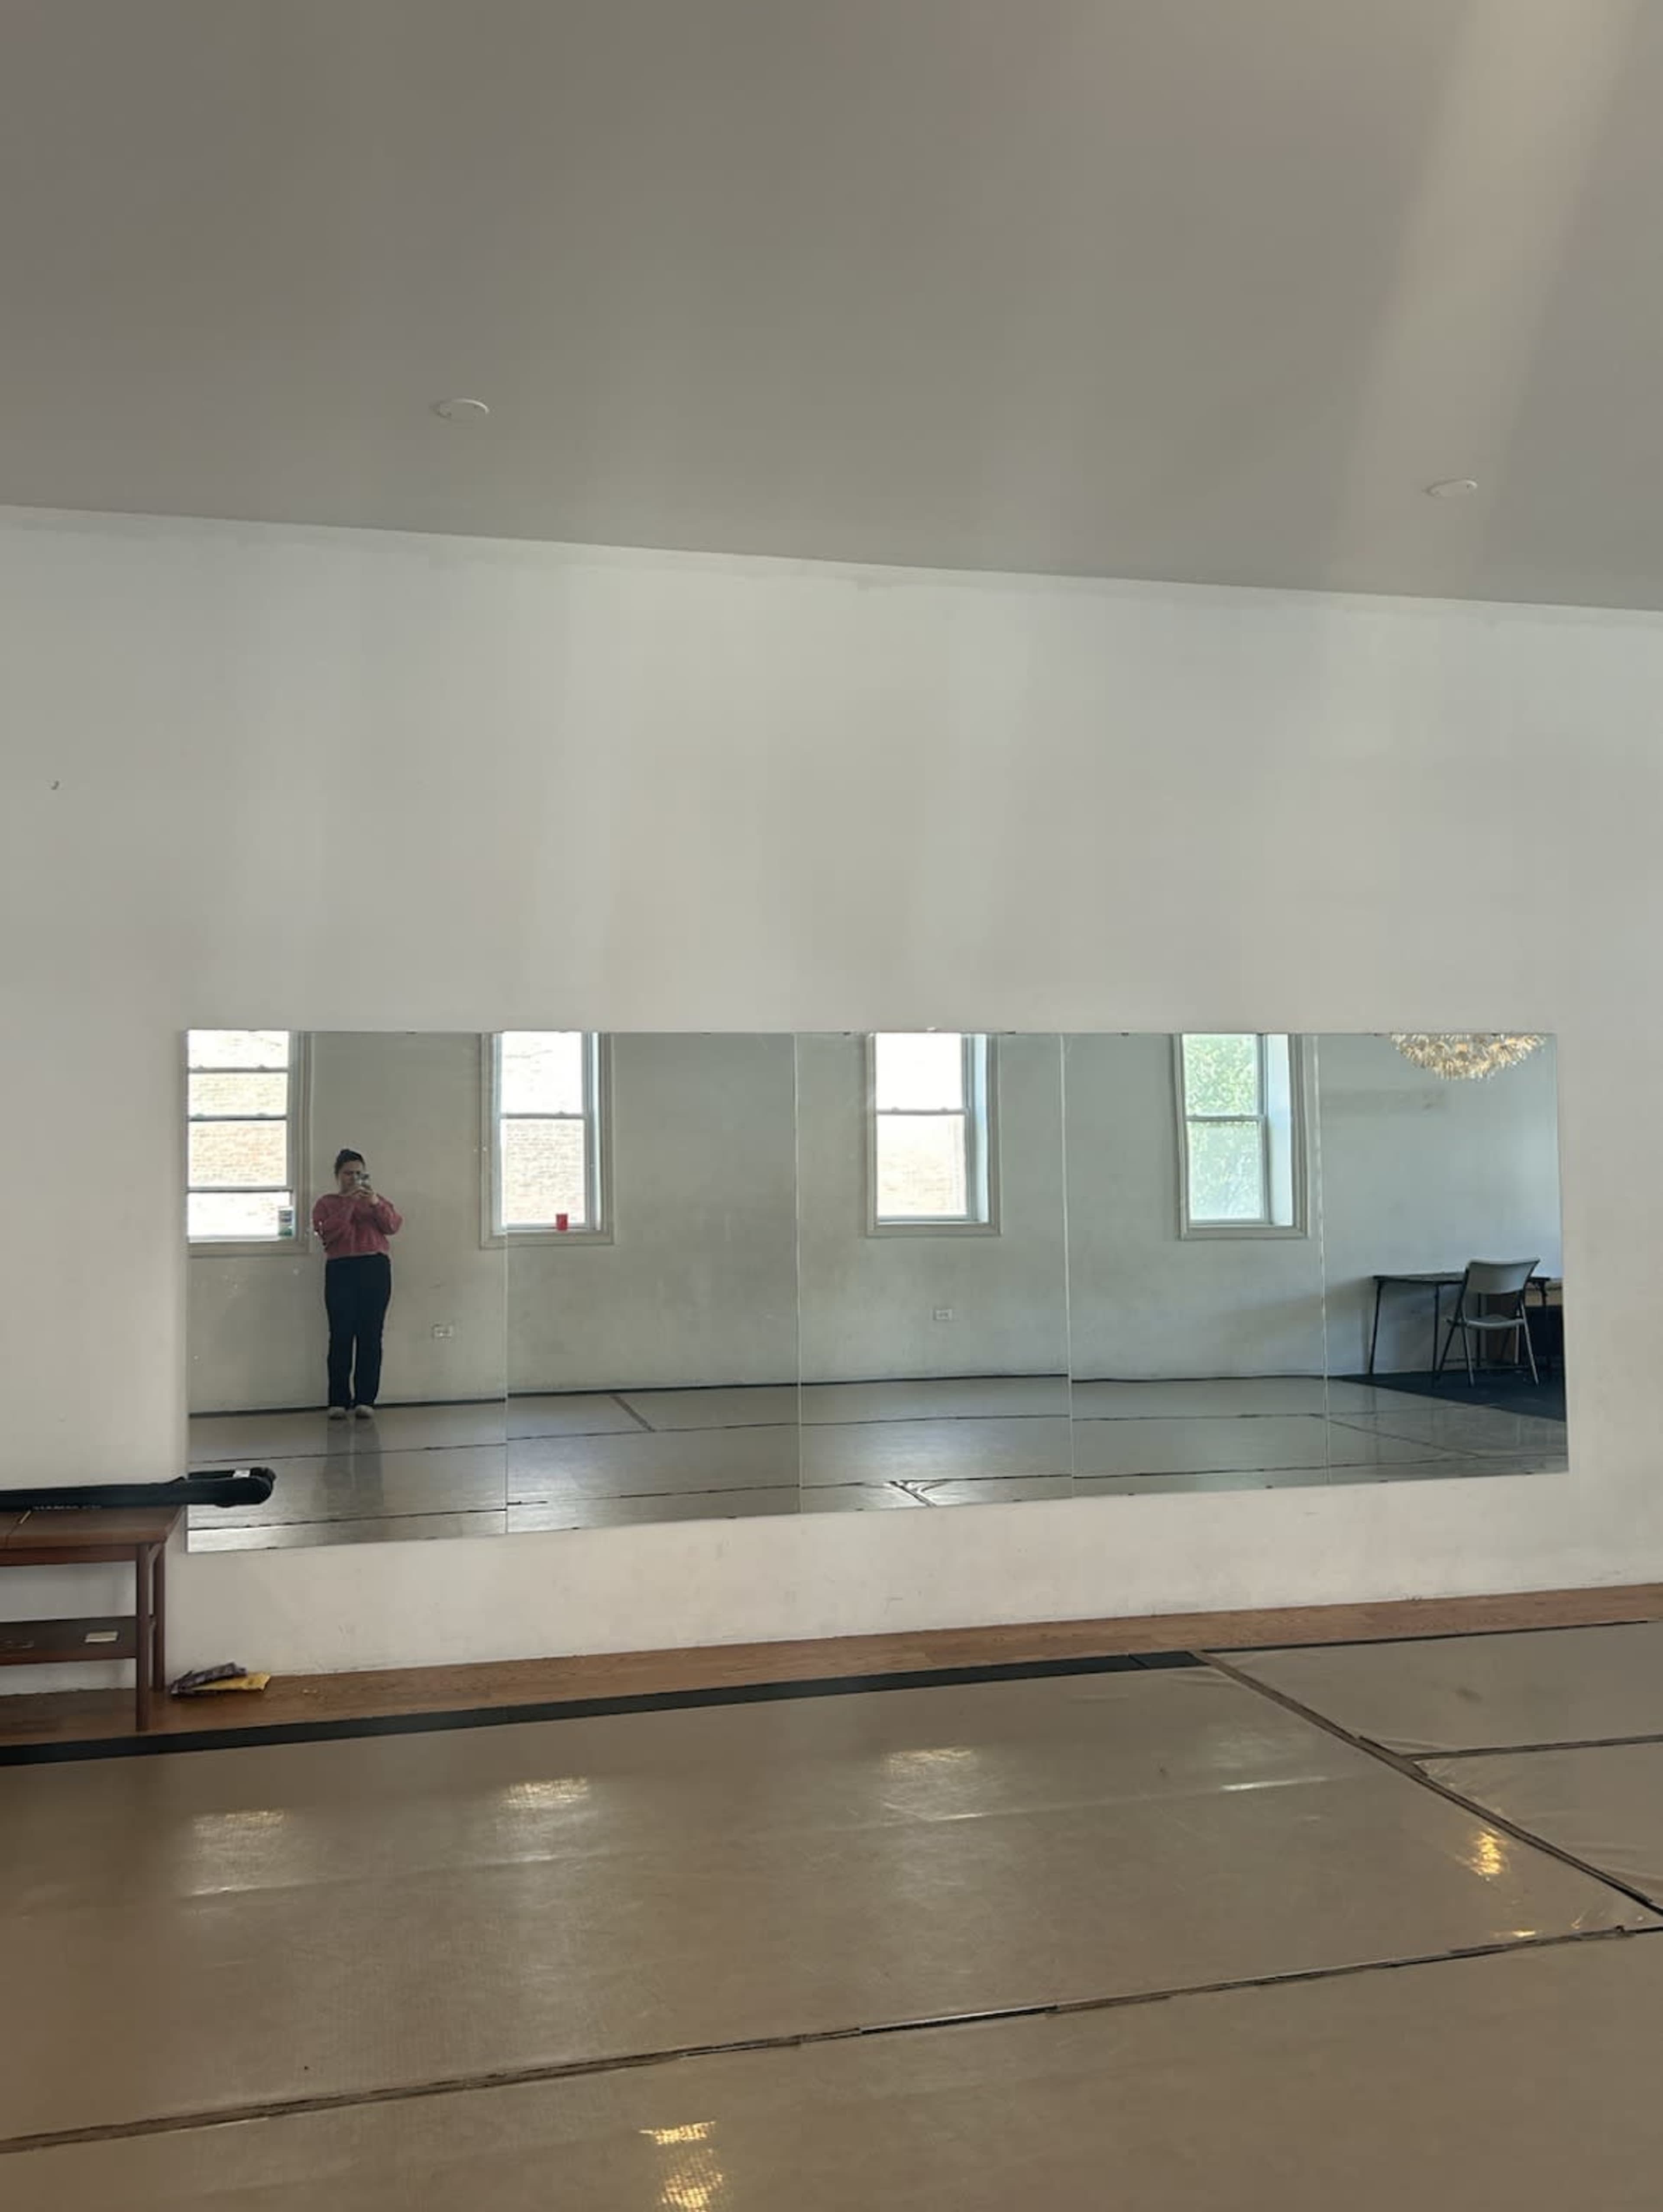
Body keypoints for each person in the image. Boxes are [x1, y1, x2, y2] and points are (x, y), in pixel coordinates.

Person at [311, 1150, 402, 1419]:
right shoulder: (327, 1203)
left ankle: (366, 1400)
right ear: (338, 1176)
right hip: (341, 1269)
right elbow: (327, 1233)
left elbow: (393, 1226)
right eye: (348, 1174)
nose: (354, 1179)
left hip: (374, 1268)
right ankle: (338, 1400)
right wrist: (349, 1204)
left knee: (371, 1335)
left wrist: (374, 1203)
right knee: (341, 1335)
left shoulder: (377, 1200)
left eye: (359, 1174)